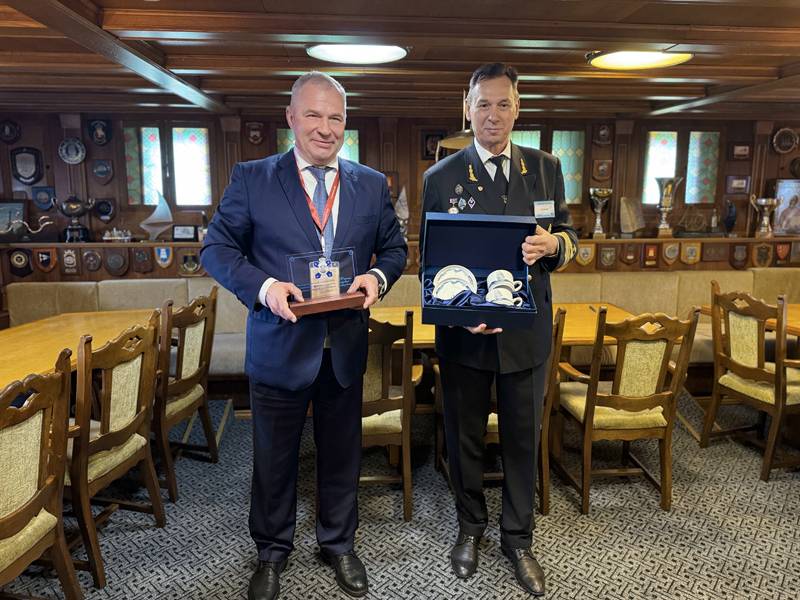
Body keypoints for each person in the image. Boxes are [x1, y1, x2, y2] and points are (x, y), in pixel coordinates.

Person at [201, 71, 407, 600]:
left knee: (342, 454)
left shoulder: (370, 183)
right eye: (313, 114)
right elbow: (216, 249)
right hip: (280, 343)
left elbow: (394, 249)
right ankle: (271, 552)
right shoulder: (253, 178)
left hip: (344, 347)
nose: (325, 127)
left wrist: (377, 277)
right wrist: (265, 286)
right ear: (291, 118)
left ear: (346, 123)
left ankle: (338, 544)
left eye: (335, 117)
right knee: (274, 460)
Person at [419, 63, 577, 597]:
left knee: (521, 440)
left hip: (526, 336)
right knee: (464, 439)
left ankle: (518, 539)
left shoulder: (546, 168)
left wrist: (554, 245)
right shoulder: (441, 177)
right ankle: (470, 528)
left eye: (503, 104)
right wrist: (461, 311)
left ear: (517, 109)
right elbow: (428, 265)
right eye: (482, 104)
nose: (493, 115)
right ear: (467, 109)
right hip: (465, 336)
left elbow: (570, 236)